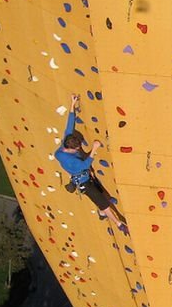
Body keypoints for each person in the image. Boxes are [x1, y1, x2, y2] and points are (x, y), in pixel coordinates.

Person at [55, 94, 128, 234]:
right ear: (70, 148)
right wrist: (94, 149)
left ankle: (101, 214)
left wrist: (72, 104)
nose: (79, 148)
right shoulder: (68, 160)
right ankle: (119, 224)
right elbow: (85, 165)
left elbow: (69, 124)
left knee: (101, 199)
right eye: (77, 148)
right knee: (103, 202)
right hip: (84, 183)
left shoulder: (66, 141)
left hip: (86, 177)